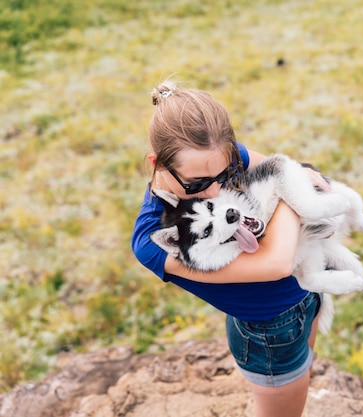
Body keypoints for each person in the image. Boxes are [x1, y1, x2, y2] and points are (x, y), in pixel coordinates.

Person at [131, 80, 329, 417]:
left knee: (302, 379)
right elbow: (277, 263)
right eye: (196, 184)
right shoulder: (155, 238)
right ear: (157, 163)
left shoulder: (216, 159)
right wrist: (289, 188)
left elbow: (307, 178)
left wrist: (293, 181)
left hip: (308, 291)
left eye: (225, 174)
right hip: (270, 330)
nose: (214, 192)